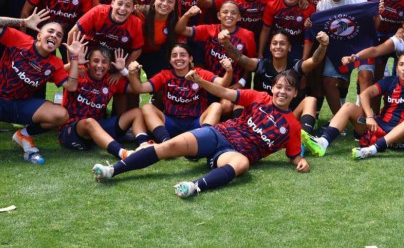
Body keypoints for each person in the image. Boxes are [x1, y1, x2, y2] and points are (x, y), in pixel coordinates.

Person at [91, 70, 310, 199]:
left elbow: (293, 154)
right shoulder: (258, 96)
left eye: (288, 89)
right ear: (273, 88)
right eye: (279, 87)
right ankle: (111, 170)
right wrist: (200, 81)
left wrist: (301, 162)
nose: (282, 92)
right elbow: (224, 92)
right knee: (166, 147)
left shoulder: (292, 126)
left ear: (295, 93)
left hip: (232, 153)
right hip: (218, 134)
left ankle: (193, 186)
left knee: (242, 164)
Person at [0, 8, 84, 161]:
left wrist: (74, 58)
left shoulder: (55, 63)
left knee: (61, 115)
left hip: (22, 104)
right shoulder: (19, 39)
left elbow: (71, 86)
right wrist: (23, 22)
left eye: (59, 35)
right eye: (50, 31)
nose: (54, 35)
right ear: (39, 35)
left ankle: (23, 135)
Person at [302, 51, 404, 160]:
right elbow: (365, 94)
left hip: (400, 138)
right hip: (377, 127)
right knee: (350, 106)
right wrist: (370, 116)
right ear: (397, 68)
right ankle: (323, 142)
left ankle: (372, 150)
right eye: (401, 65)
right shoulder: (390, 81)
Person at [221, 30, 328, 134]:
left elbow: (315, 60)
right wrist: (226, 42)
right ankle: (240, 133)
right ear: (270, 47)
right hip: (261, 117)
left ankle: (303, 140)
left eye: (282, 44)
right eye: (274, 43)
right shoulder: (261, 65)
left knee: (311, 100)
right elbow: (239, 57)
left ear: (289, 47)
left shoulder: (296, 67)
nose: (278, 47)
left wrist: (322, 46)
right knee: (241, 100)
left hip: (287, 118)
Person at [127, 44, 231, 143]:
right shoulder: (164, 75)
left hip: (196, 123)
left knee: (216, 106)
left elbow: (223, 83)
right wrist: (132, 73)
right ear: (170, 60)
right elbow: (139, 88)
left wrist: (229, 70)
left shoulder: (200, 73)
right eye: (174, 55)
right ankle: (165, 141)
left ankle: (201, 140)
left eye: (183, 55)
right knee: (146, 107)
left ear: (190, 58)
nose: (178, 58)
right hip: (170, 123)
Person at [59, 46, 148, 160]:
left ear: (109, 66)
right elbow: (52, 74)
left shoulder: (111, 80)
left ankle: (144, 145)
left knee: (136, 112)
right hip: (71, 131)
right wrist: (73, 63)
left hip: (99, 127)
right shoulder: (78, 74)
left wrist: (123, 70)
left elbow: (138, 89)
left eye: (104, 62)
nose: (100, 66)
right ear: (88, 62)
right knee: (89, 122)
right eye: (96, 61)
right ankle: (122, 153)